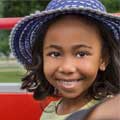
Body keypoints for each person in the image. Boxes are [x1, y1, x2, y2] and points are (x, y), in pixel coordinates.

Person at [10, 0, 120, 120]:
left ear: (103, 59)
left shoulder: (107, 112)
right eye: (55, 54)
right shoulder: (50, 110)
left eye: (81, 54)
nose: (67, 68)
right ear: (41, 57)